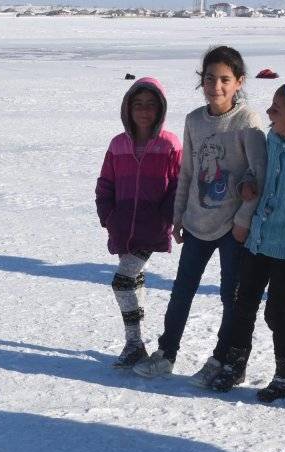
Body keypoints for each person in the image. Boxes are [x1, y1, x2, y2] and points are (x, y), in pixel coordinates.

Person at [134, 45, 266, 385]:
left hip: (232, 228)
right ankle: (167, 352)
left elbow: (259, 175)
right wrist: (178, 216)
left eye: (225, 79)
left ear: (239, 82)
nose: (216, 86)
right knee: (182, 290)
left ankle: (222, 357)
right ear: (201, 81)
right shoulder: (194, 120)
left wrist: (243, 221)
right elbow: (188, 174)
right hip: (196, 221)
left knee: (229, 295)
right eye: (210, 78)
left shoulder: (247, 121)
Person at [209, 80, 285, 397]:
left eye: (276, 109)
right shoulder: (273, 139)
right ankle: (235, 364)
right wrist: (247, 183)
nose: (268, 112)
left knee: (276, 309)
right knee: (242, 302)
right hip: (258, 240)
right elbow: (256, 172)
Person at [95, 76, 182, 368]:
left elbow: (178, 185)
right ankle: (136, 344)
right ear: (128, 108)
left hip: (151, 228)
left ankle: (134, 342)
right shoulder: (118, 145)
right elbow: (105, 183)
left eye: (151, 106)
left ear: (160, 110)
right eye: (138, 105)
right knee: (134, 281)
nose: (144, 111)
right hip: (121, 227)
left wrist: (168, 217)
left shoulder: (169, 145)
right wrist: (108, 216)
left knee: (122, 282)